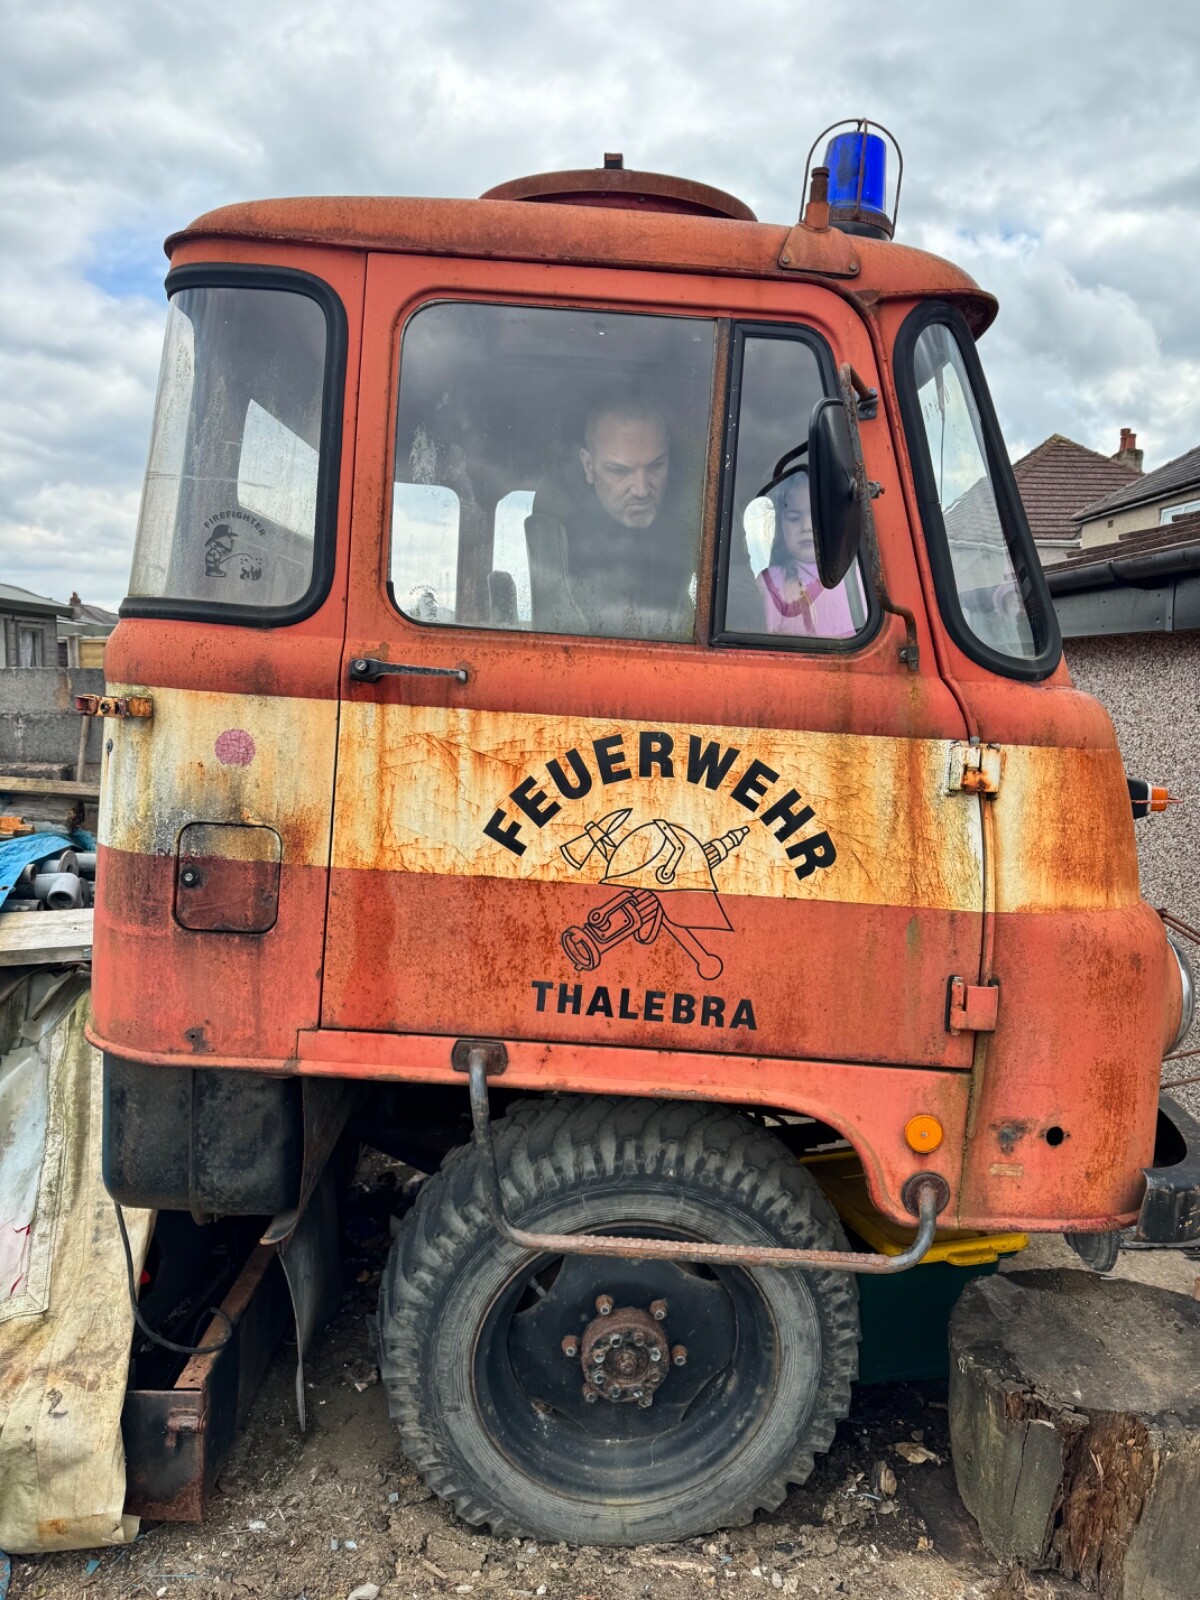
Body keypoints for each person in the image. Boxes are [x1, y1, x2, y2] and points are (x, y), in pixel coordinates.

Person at [524, 395, 696, 640]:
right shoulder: (557, 517)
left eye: (656, 466)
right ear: (588, 466)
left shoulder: (703, 505)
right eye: (620, 471)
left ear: (667, 453)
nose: (641, 489)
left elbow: (736, 589)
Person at [755, 471, 857, 639]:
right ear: (781, 526)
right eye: (794, 518)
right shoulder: (770, 582)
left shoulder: (855, 574)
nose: (807, 526)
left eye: (818, 517)